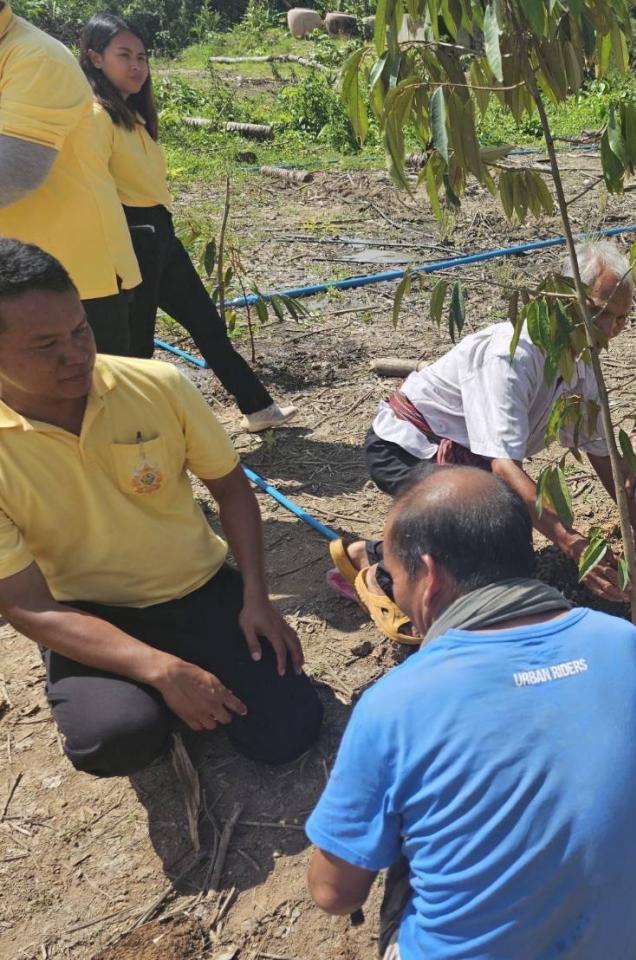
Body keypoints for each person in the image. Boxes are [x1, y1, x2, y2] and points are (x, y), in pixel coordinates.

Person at [306, 466, 636, 959]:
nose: (391, 592)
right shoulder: (629, 647)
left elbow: (334, 895)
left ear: (429, 577)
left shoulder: (396, 704)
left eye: (391, 577)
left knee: (403, 841)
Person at [0, 239, 321, 776]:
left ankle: (181, 685)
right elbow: (25, 604)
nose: (75, 355)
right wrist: (158, 668)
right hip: (88, 612)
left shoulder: (157, 385)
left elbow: (232, 489)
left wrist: (255, 596)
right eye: (45, 345)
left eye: (80, 330)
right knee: (116, 740)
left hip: (196, 588)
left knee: (289, 732)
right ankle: (132, 686)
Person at [328, 241, 636, 641]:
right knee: (489, 535)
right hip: (407, 447)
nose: (610, 329)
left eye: (621, 318)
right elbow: (503, 465)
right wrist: (572, 543)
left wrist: (634, 523)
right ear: (564, 298)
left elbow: (599, 450)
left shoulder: (580, 362)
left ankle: (369, 552)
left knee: (506, 532)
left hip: (468, 461)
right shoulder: (513, 353)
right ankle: (384, 579)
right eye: (600, 313)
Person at [78, 14, 296, 433]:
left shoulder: (133, 116)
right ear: (95, 59)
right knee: (137, 343)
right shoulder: (97, 116)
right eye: (123, 55)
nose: (137, 65)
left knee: (206, 323)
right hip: (131, 236)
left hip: (159, 232)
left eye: (141, 56)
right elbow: (94, 187)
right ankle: (136, 433)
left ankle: (257, 408)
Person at [0, 1, 139, 354]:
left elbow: (15, 170)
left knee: (90, 403)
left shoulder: (35, 57)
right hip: (18, 273)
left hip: (74, 280)